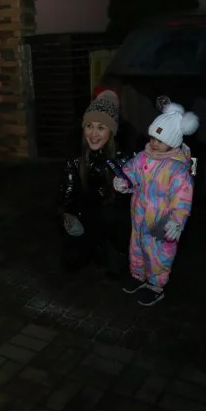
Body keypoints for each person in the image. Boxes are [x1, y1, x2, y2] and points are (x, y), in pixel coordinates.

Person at [113, 101, 198, 306]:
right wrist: (124, 181)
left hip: (162, 221)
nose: (154, 143)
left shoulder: (177, 169)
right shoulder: (144, 157)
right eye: (152, 137)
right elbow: (131, 172)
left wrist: (177, 220)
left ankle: (156, 285)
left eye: (160, 140)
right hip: (140, 215)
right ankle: (138, 275)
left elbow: (182, 199)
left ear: (173, 141)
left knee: (159, 254)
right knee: (137, 247)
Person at [58, 88, 133, 277]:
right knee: (71, 261)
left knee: (115, 268)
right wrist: (68, 212)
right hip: (87, 210)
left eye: (101, 128)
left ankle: (110, 248)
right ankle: (90, 244)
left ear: (111, 131)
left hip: (112, 215)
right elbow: (69, 187)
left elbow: (130, 198)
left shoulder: (123, 156)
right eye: (89, 126)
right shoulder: (76, 152)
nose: (93, 133)